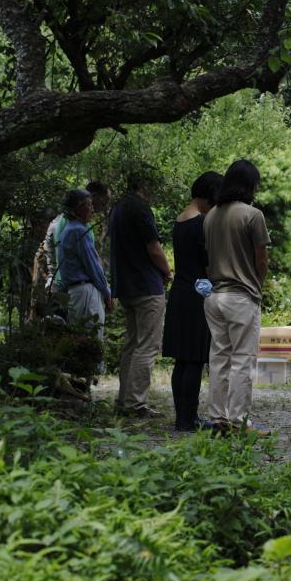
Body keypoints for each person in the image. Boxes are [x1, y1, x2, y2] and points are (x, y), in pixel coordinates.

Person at [202, 159, 270, 435]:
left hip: (215, 296)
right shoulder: (253, 215)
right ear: (250, 185)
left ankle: (217, 418)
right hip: (241, 296)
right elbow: (261, 260)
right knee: (242, 360)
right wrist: (257, 284)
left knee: (219, 358)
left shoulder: (211, 216)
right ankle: (239, 421)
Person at [162, 171, 223, 432]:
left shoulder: (180, 220)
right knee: (195, 358)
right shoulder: (201, 224)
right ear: (210, 195)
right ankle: (189, 418)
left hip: (180, 291)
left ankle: (182, 416)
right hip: (198, 293)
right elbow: (209, 265)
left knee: (182, 359)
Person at [109, 169, 173, 417]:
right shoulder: (140, 208)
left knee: (132, 344)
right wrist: (167, 271)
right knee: (147, 346)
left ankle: (124, 399)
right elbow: (153, 247)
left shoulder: (117, 208)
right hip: (146, 285)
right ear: (144, 184)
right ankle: (136, 403)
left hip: (125, 285)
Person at [57, 189, 113, 340]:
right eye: (89, 205)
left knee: (78, 340)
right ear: (77, 208)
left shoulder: (69, 229)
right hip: (85, 291)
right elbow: (92, 266)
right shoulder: (78, 231)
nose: (92, 209)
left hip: (75, 292)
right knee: (91, 340)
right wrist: (107, 292)